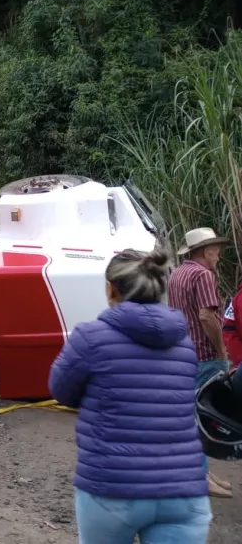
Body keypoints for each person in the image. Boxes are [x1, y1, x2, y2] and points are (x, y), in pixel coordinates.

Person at [49, 247, 211, 543]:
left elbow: (61, 391)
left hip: (111, 486)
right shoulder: (184, 344)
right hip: (183, 488)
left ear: (111, 289)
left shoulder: (90, 338)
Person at [168, 227, 234, 497]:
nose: (219, 254)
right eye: (216, 249)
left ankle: (201, 471)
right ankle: (198, 475)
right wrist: (221, 352)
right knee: (202, 417)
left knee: (190, 413)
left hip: (183, 351)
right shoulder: (203, 275)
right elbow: (207, 317)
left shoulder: (178, 273)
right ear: (206, 251)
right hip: (204, 355)